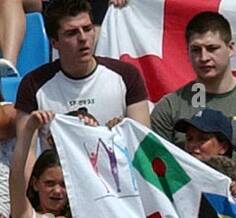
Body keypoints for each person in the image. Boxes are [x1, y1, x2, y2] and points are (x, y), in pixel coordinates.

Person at [150, 10, 236, 172]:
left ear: (230, 48)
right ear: (187, 53)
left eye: (212, 48)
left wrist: (232, 190)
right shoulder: (169, 107)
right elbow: (156, 166)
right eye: (196, 50)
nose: (203, 57)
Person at [14, 0, 148, 130]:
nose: (83, 38)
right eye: (72, 33)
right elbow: (27, 152)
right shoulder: (33, 84)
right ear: (54, 42)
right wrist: (29, 130)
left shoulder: (126, 75)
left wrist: (120, 135)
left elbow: (143, 145)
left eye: (87, 29)